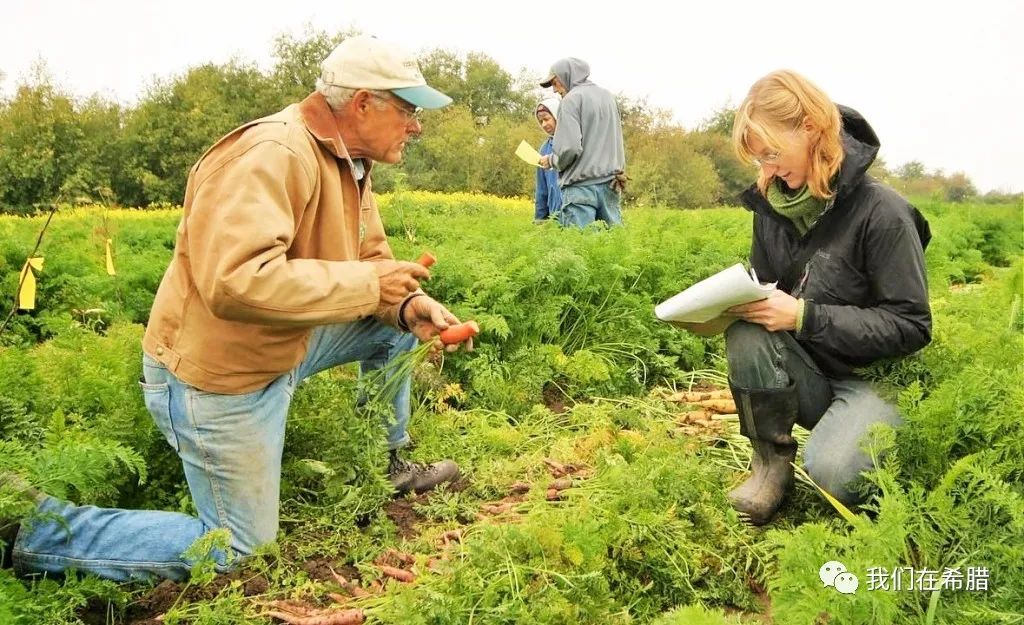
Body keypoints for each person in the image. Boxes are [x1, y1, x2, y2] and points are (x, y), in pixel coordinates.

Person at [3, 35, 469, 582]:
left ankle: (386, 466)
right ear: (364, 102)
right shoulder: (273, 154)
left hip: (283, 343)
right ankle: (33, 528)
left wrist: (408, 303)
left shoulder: (350, 161)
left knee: (394, 328)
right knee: (239, 552)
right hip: (220, 377)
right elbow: (237, 282)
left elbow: (370, 258)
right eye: (409, 109)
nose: (416, 125)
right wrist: (370, 285)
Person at [675, 70, 932, 525]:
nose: (767, 172)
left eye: (772, 153)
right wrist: (723, 311)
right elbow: (767, 293)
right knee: (747, 331)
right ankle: (770, 468)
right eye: (759, 161)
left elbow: (912, 325)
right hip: (811, 372)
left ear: (811, 128)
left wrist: (803, 316)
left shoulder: (884, 213)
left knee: (836, 472)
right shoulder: (772, 211)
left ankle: (857, 442)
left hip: (873, 378)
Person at [537, 57, 626, 228]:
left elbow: (569, 148)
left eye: (556, 83)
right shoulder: (608, 97)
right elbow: (616, 139)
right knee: (614, 247)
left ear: (567, 75)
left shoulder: (571, 100)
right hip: (611, 183)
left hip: (580, 187)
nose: (555, 90)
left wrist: (551, 160)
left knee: (579, 248)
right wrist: (619, 169)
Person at [533, 96, 562, 223]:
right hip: (554, 215)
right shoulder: (544, 149)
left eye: (546, 119)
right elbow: (542, 189)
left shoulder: (575, 143)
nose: (544, 124)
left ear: (558, 116)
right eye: (541, 121)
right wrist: (540, 219)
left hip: (576, 211)